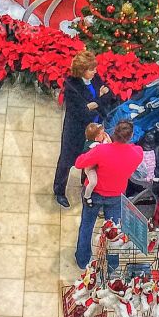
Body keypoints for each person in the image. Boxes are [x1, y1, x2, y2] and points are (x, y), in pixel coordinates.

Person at [74, 120, 143, 270]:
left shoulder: (101, 151)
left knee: (87, 225)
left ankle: (82, 260)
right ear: (130, 136)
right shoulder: (136, 154)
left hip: (94, 194)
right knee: (114, 232)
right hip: (115, 196)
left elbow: (79, 163)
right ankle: (112, 264)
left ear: (114, 133)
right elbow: (136, 150)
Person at [53, 51, 111, 208]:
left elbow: (108, 96)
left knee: (90, 158)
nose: (95, 72)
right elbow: (82, 112)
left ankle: (83, 182)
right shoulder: (72, 87)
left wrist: (94, 102)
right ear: (82, 70)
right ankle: (59, 191)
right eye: (91, 69)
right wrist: (99, 98)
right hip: (76, 132)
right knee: (67, 161)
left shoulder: (95, 78)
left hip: (95, 129)